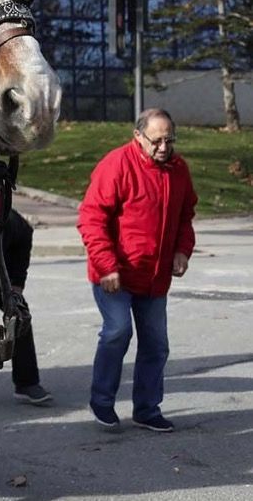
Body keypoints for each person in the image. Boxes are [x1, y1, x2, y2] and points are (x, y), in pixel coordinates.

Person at [77, 108, 197, 433]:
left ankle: (147, 408)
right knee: (117, 331)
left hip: (155, 278)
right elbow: (91, 218)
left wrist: (182, 250)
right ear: (138, 136)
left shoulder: (178, 169)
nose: (163, 147)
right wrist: (106, 266)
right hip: (114, 274)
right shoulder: (117, 164)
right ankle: (102, 401)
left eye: (169, 140)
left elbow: (186, 216)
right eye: (156, 140)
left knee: (156, 344)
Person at [0, 209, 51, 405]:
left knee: (19, 314)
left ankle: (27, 383)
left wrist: (16, 285)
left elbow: (25, 235)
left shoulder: (7, 221)